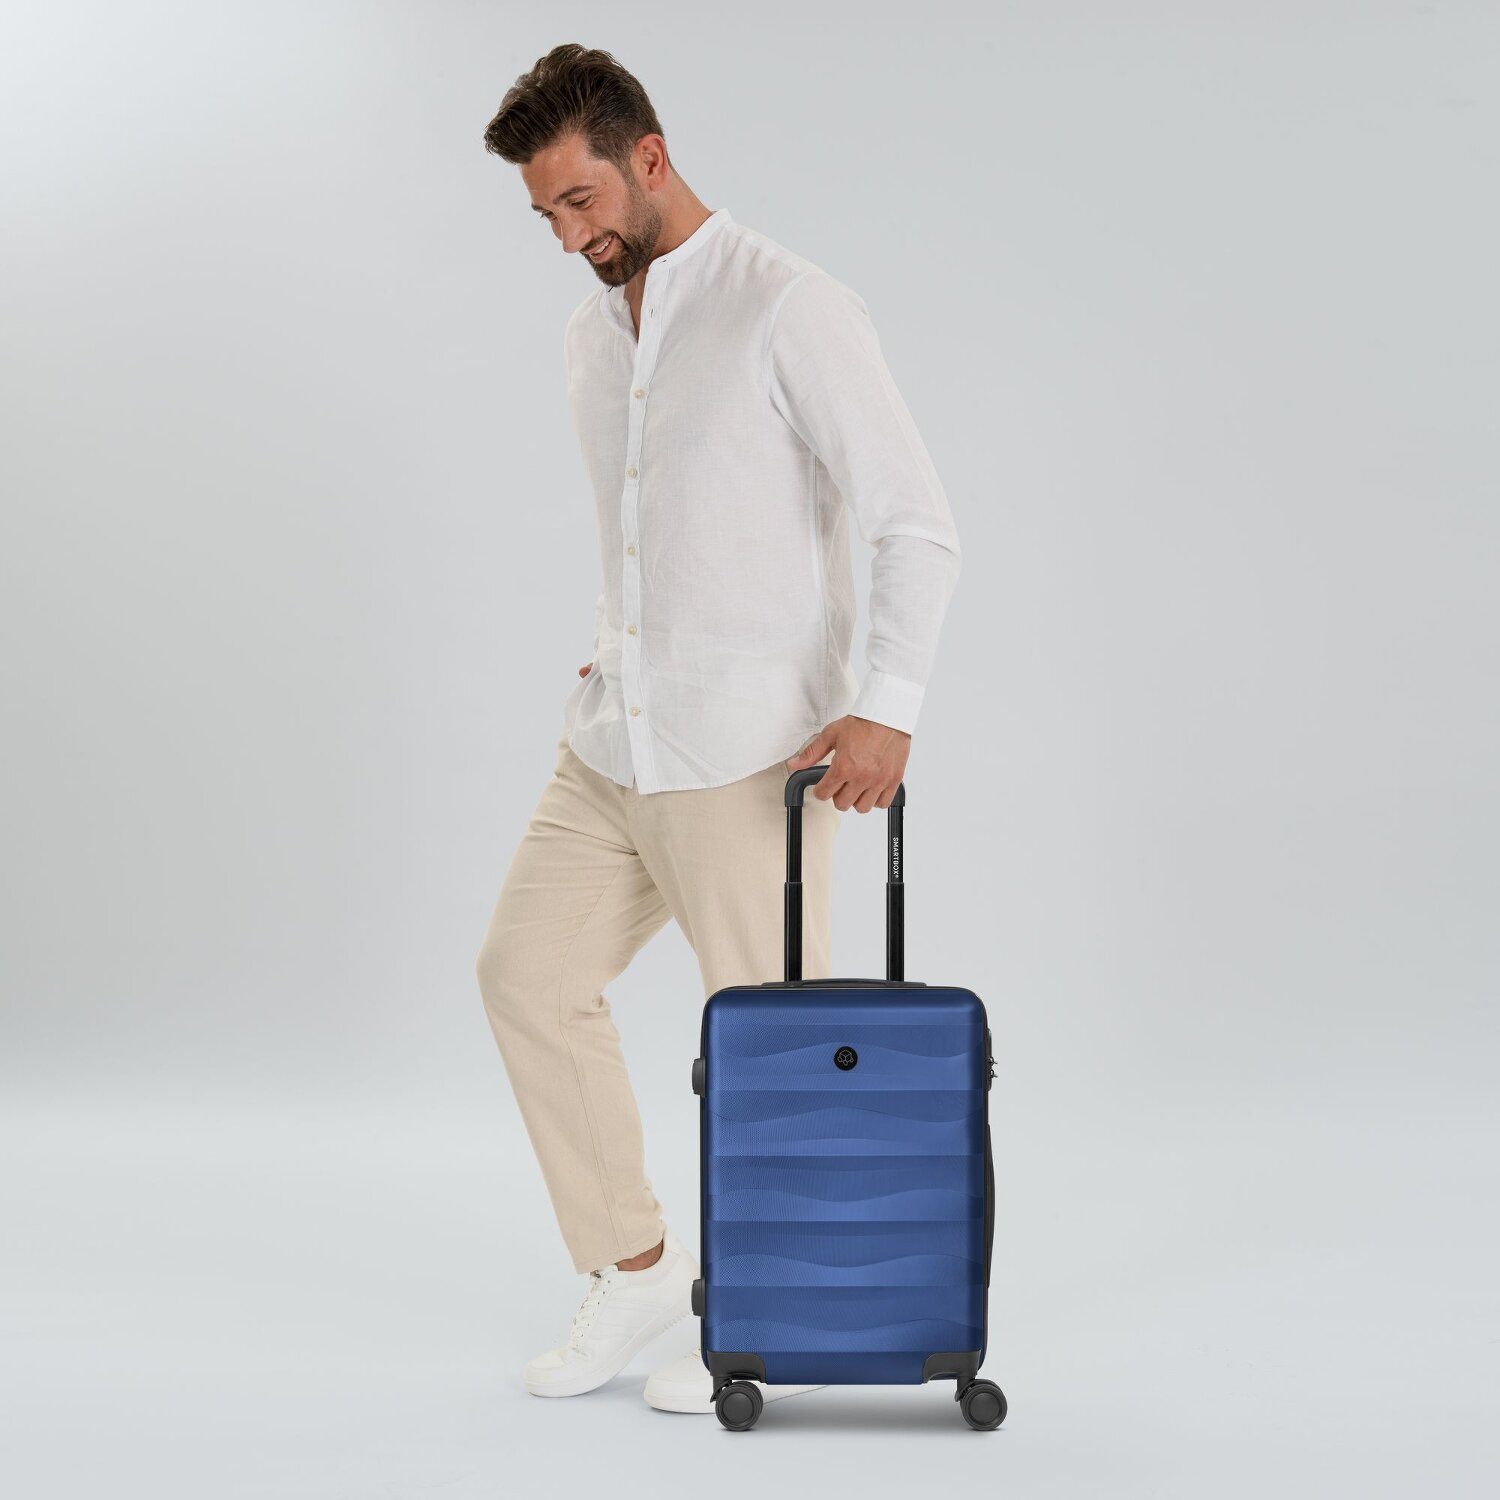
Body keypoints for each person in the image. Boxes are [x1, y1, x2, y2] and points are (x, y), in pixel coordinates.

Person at [475, 43, 961, 1413]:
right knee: (525, 975)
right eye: (545, 216)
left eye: (580, 201)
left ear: (650, 155)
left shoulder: (788, 306)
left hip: (754, 754)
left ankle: (761, 1311)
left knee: (775, 1050)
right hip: (611, 740)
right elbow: (657, 528)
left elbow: (914, 522)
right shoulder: (593, 336)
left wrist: (886, 708)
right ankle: (632, 1270)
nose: (568, 238)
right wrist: (623, 635)